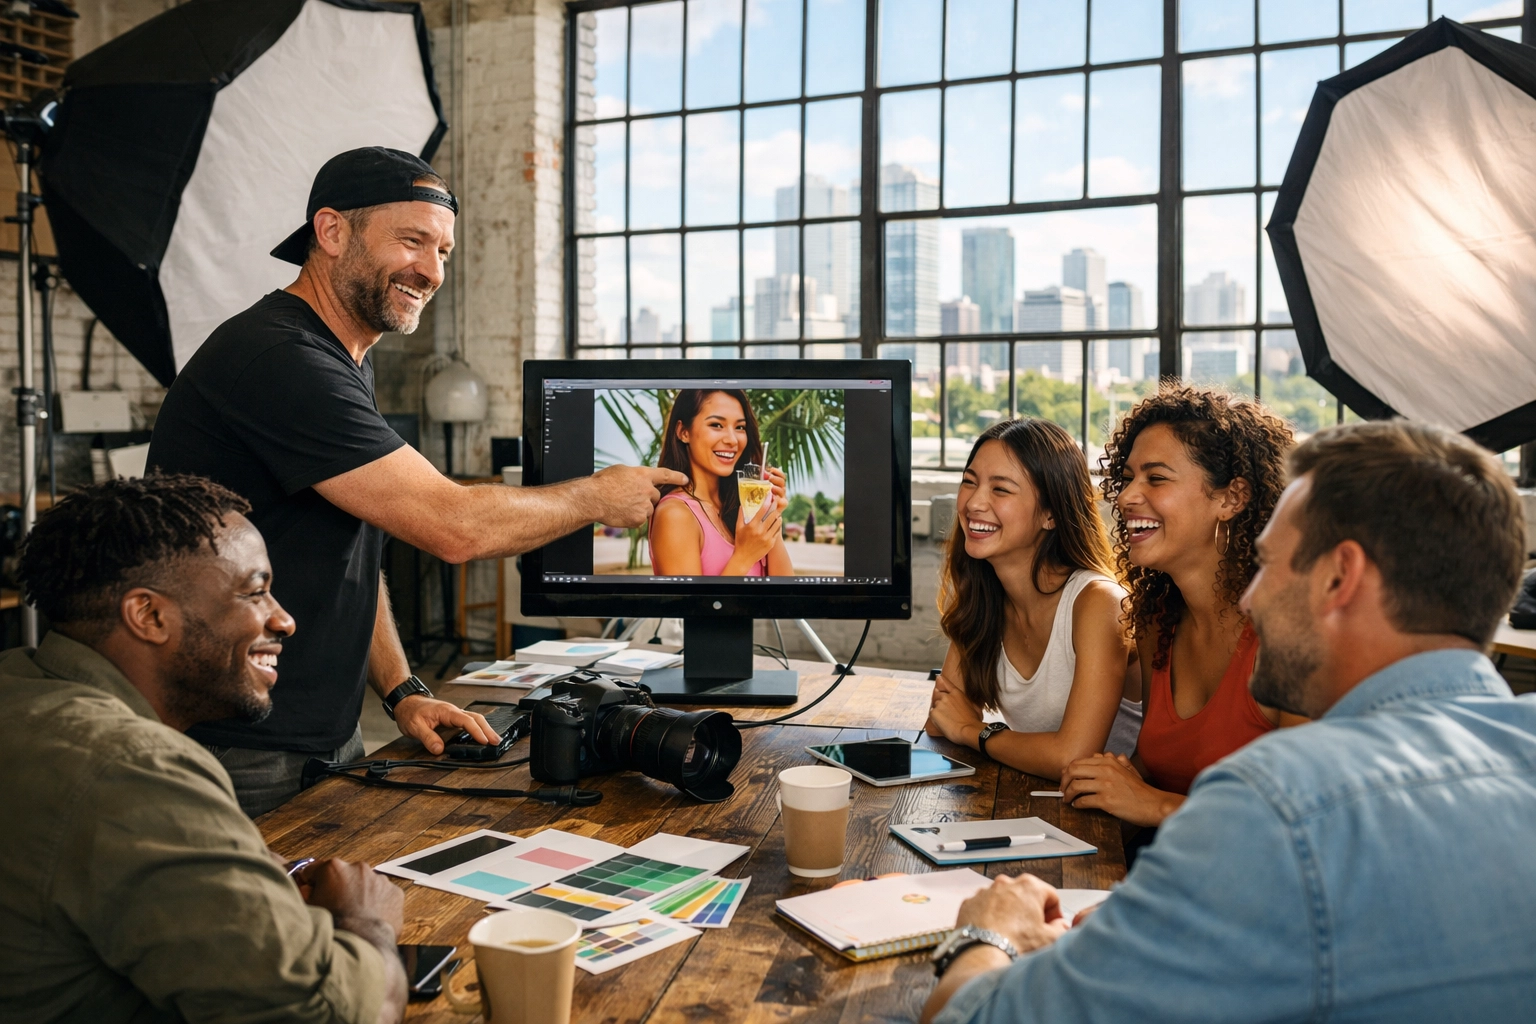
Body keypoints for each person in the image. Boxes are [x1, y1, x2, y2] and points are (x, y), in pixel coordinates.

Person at [921, 419, 1536, 1023]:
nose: (1249, 596)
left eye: (1270, 565)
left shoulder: (1278, 802)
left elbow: (968, 1018)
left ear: (1340, 577)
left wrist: (987, 935)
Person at [148, 147, 685, 815]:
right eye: (412, 241)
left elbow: (349, 554)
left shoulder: (341, 357)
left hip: (318, 733)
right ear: (333, 232)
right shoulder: (280, 359)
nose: (430, 271)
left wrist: (402, 691)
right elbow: (453, 527)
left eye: (443, 252)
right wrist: (597, 497)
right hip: (242, 744)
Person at [0, 475, 409, 1023]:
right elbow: (327, 1015)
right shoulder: (134, 768)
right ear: (149, 616)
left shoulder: (21, 686)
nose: (283, 619)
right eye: (253, 591)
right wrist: (368, 921)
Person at [1059, 387, 1303, 840]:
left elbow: (1308, 826)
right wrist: (1105, 780)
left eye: (1156, 478)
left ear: (1232, 498)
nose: (1128, 496)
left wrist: (1153, 805)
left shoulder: (1289, 641)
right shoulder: (1159, 621)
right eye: (1128, 477)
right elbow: (1157, 768)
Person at [924, 419, 1140, 776]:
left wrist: (973, 731)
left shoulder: (1098, 603)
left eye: (1001, 489)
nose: (974, 502)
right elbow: (941, 722)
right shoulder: (985, 599)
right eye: (969, 482)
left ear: (1051, 513)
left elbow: (1071, 757)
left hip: (1120, 825)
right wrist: (960, 726)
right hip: (1039, 802)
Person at [648, 388, 793, 577]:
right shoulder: (675, 515)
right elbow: (690, 606)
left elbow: (785, 593)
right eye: (716, 425)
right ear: (684, 432)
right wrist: (744, 556)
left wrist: (770, 516)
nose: (732, 440)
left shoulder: (738, 507)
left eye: (740, 427)